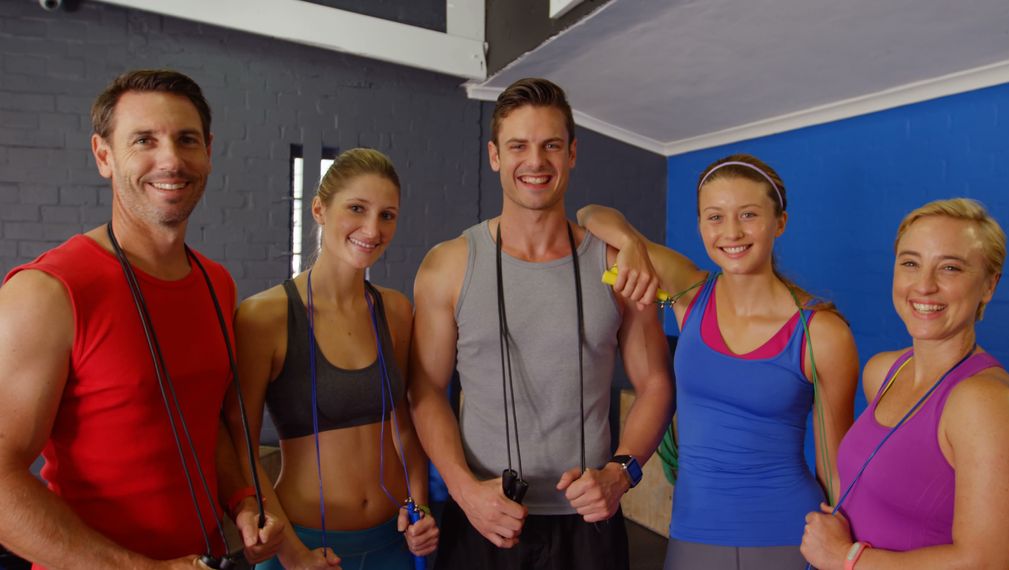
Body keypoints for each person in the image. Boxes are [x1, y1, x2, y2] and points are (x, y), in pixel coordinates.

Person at [0, 69, 283, 568]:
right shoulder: (47, 292)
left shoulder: (217, 283)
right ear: (104, 155)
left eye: (186, 139)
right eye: (144, 140)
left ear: (209, 151)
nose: (170, 159)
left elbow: (198, 418)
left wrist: (241, 499)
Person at [408, 77, 675, 570]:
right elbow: (425, 390)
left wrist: (621, 474)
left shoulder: (617, 265)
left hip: (589, 519)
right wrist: (465, 492)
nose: (535, 161)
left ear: (572, 153)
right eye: (518, 146)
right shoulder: (447, 265)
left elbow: (656, 382)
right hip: (485, 513)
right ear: (494, 156)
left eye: (551, 145)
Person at [578, 154, 859, 569]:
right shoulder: (690, 292)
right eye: (715, 217)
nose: (731, 232)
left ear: (779, 222)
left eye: (749, 214)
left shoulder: (821, 332)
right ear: (700, 225)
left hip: (789, 536)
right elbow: (590, 215)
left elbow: (836, 468)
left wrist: (846, 554)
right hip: (694, 533)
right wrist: (635, 244)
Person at [227, 148, 438, 570]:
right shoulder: (263, 316)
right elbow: (240, 448)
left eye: (387, 215)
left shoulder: (394, 310)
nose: (372, 228)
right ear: (320, 209)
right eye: (357, 208)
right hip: (305, 547)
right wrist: (292, 555)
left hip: (393, 540)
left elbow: (406, 426)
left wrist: (420, 509)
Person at [801, 198, 1009, 569]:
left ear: (989, 286)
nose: (924, 286)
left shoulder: (985, 403)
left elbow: (989, 563)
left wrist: (845, 558)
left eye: (950, 268)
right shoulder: (884, 371)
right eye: (910, 263)